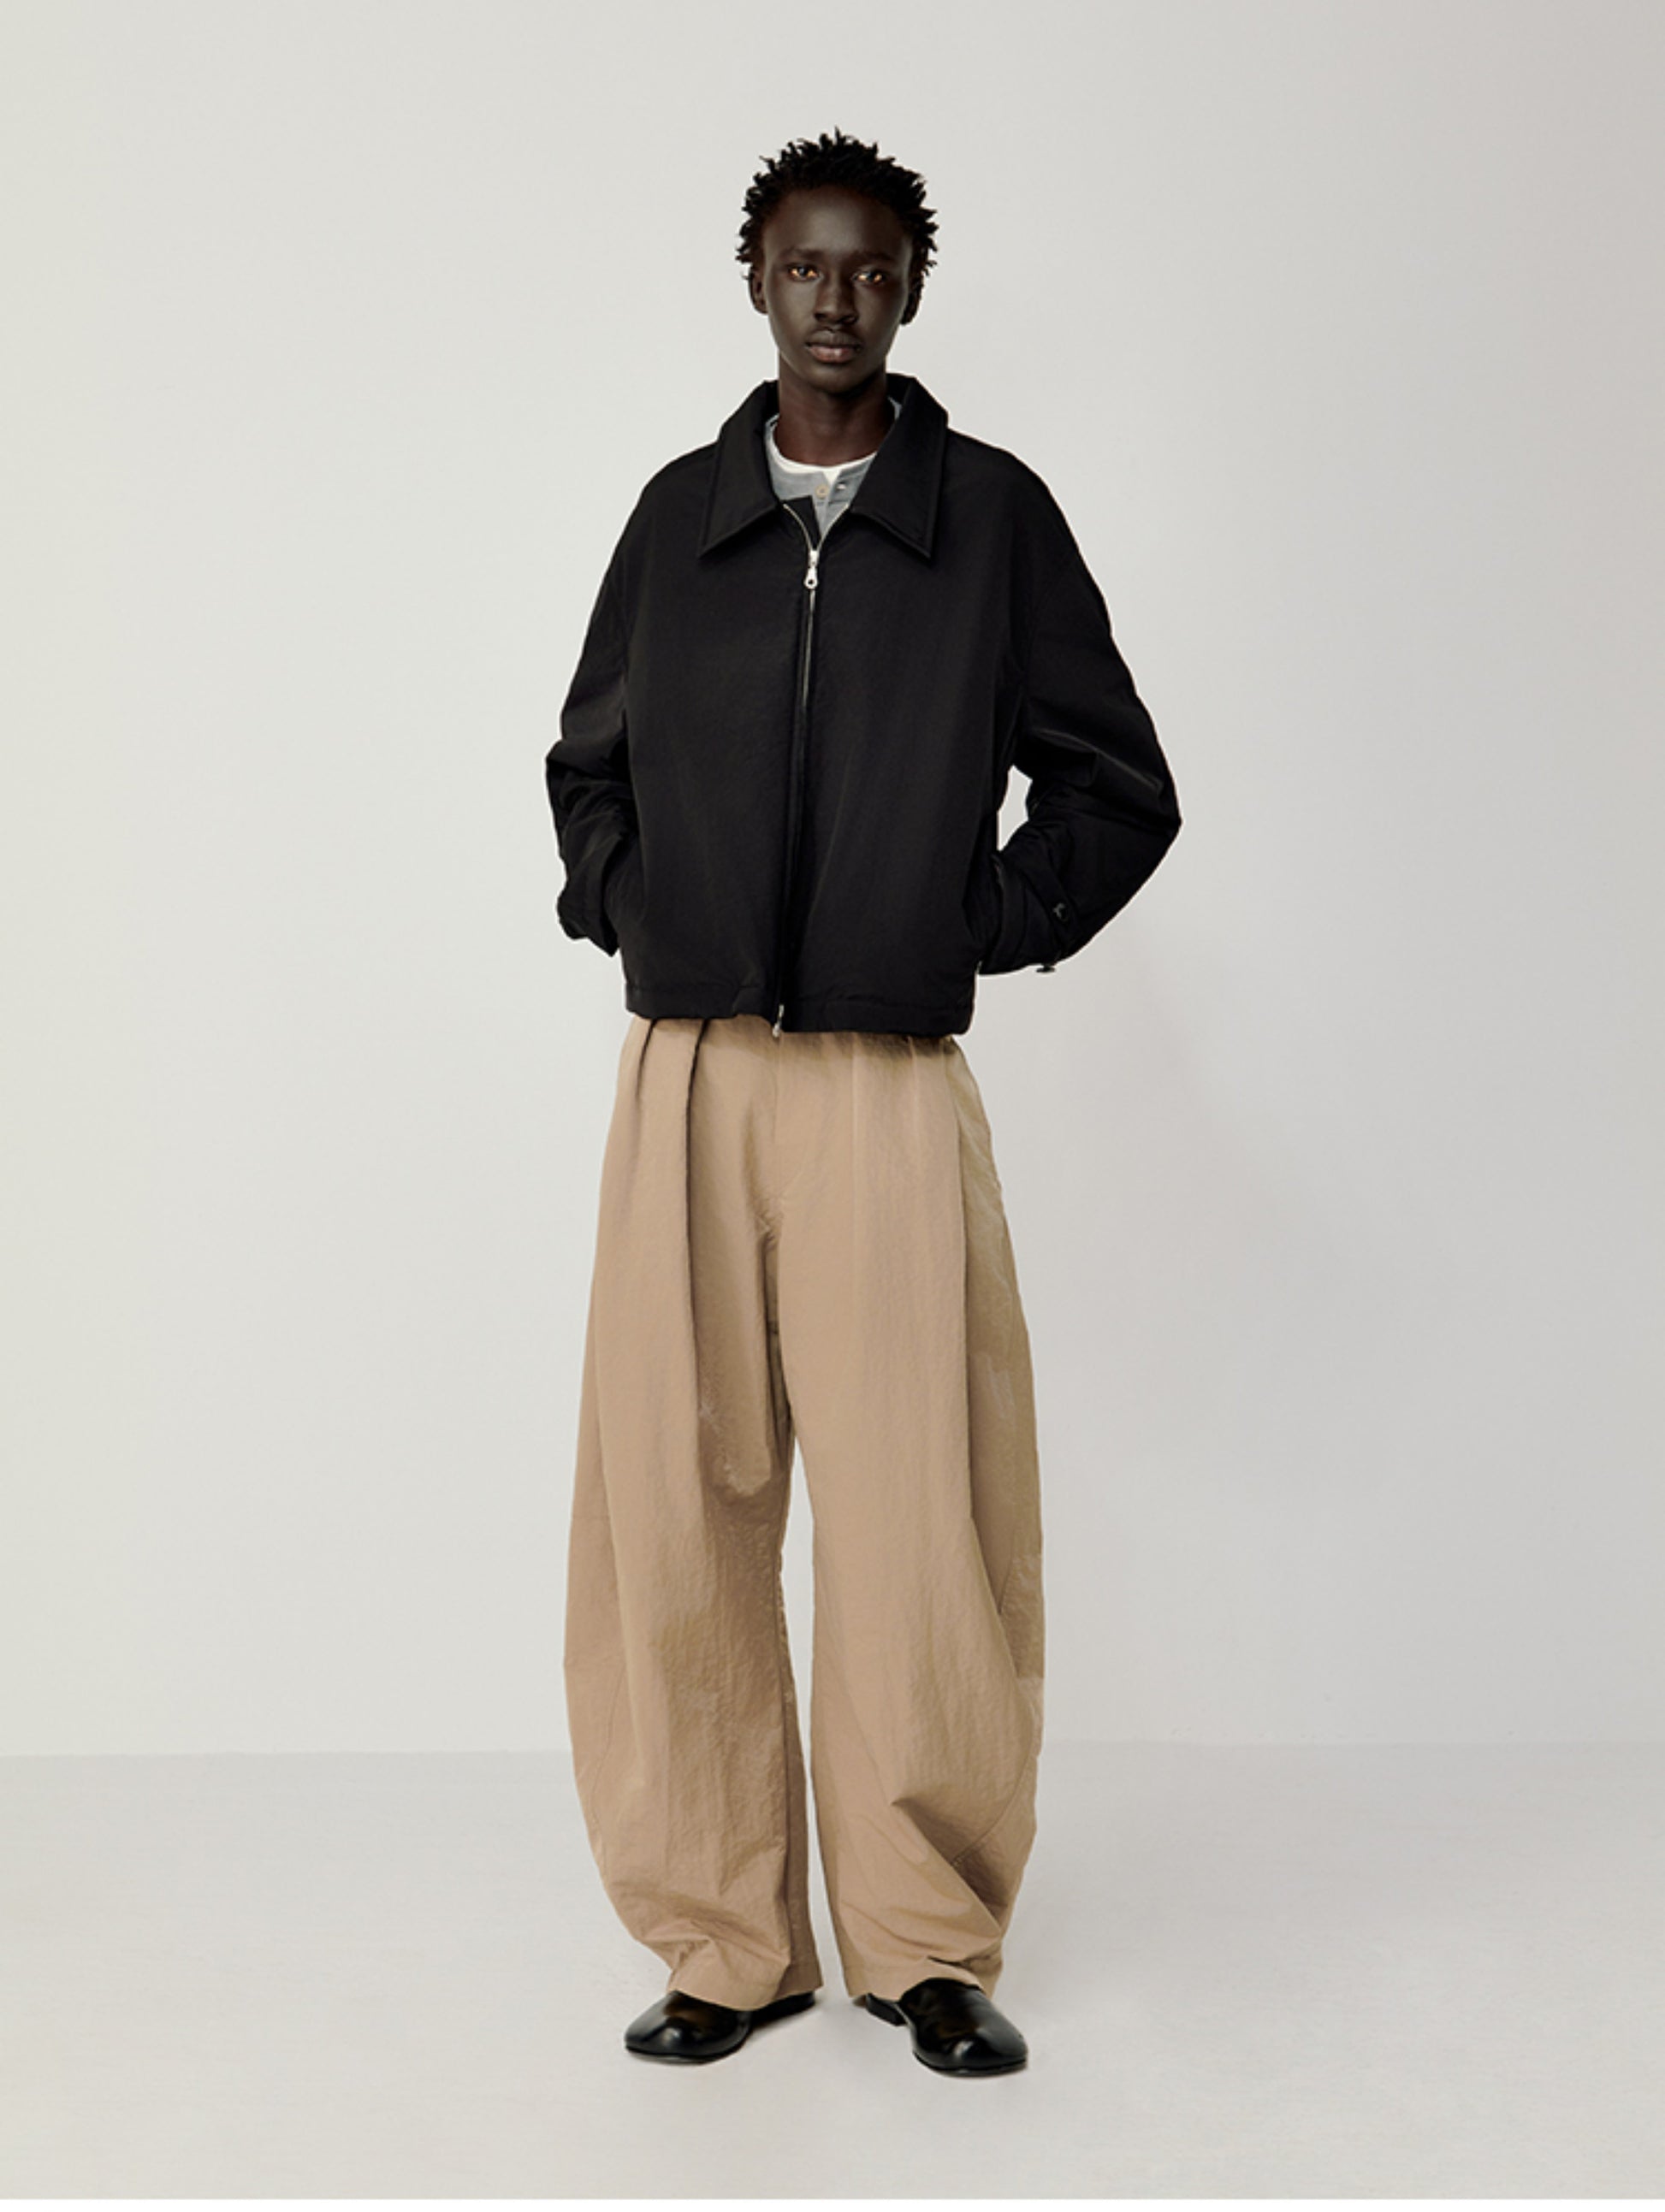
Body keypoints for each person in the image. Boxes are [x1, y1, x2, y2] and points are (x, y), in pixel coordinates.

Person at [543, 127, 1182, 2077]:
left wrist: (973, 919)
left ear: (911, 288)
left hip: (888, 1081)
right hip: (691, 1071)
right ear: (755, 278)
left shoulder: (989, 518)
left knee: (920, 1515)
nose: (837, 298)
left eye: (873, 268)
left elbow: (1117, 782)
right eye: (805, 265)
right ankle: (724, 1940)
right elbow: (586, 764)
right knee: (676, 1506)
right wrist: (631, 903)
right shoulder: (678, 515)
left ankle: (924, 1940)